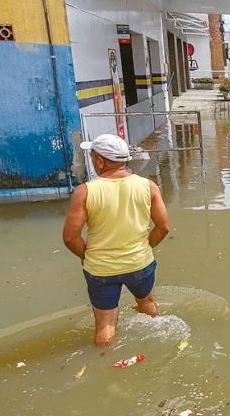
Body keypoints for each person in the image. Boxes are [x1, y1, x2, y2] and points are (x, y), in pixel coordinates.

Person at [62, 134, 170, 345]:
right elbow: (163, 227)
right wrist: (146, 246)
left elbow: (70, 237)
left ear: (100, 161)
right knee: (148, 306)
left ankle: (104, 361)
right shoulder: (148, 186)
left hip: (101, 270)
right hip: (139, 264)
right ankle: (154, 345)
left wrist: (86, 255)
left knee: (105, 325)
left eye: (93, 158)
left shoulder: (85, 191)